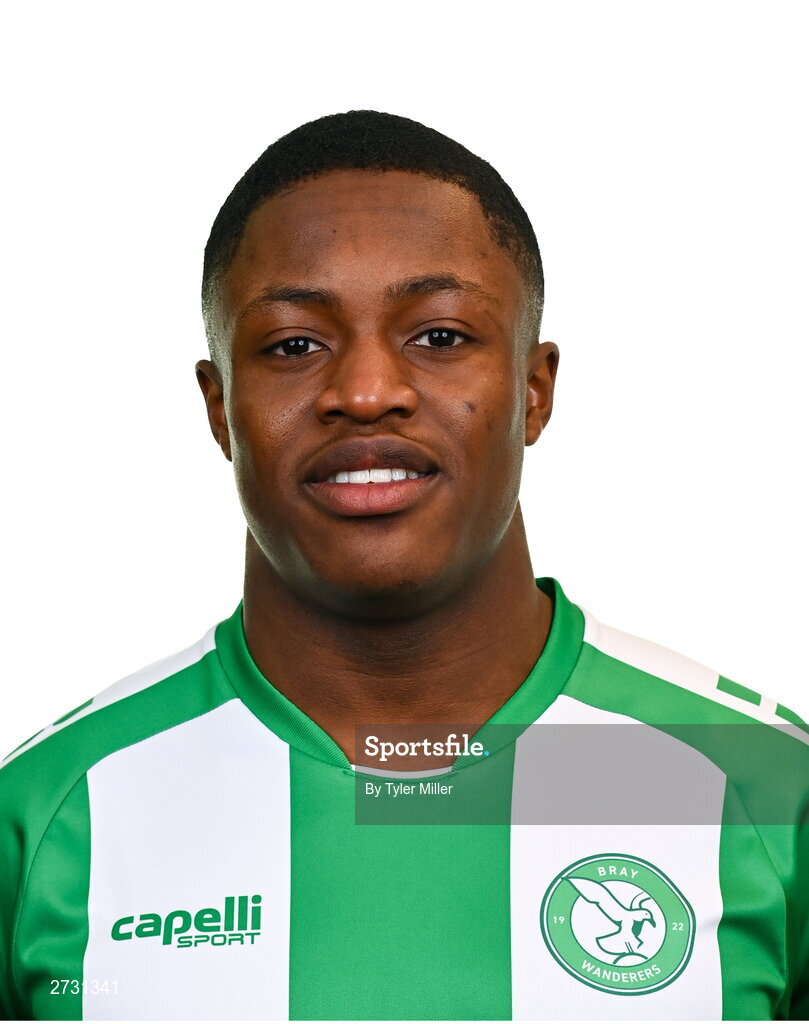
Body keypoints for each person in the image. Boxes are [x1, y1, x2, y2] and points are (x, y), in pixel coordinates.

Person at [0, 110, 807, 1022]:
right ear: (219, 405)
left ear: (532, 389)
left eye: (440, 335)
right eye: (294, 344)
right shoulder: (49, 813)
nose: (366, 392)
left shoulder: (766, 787)